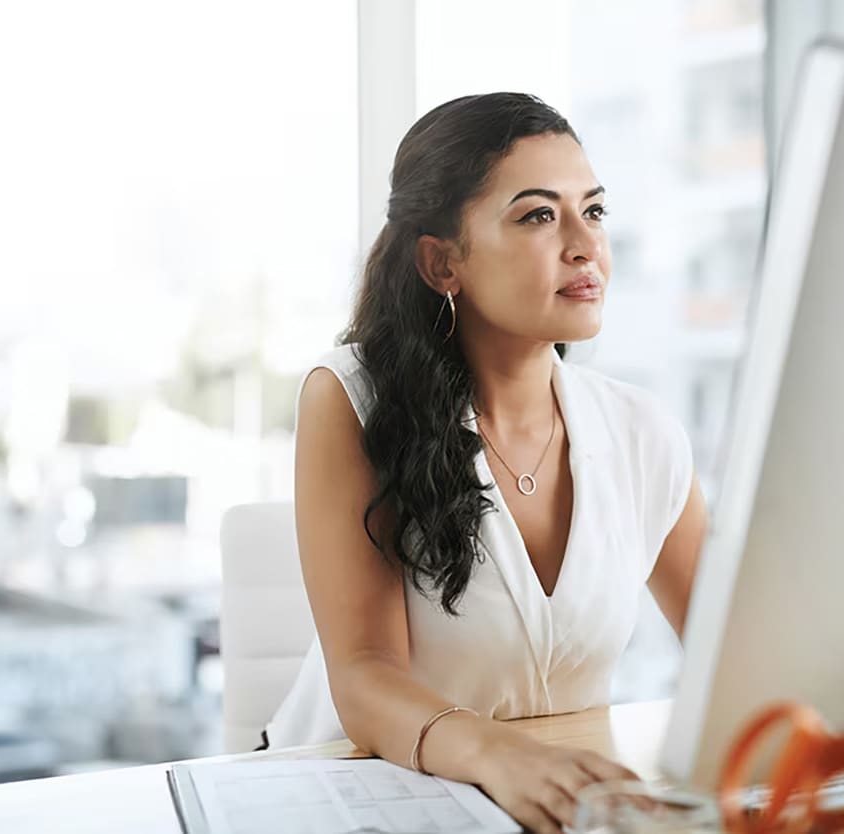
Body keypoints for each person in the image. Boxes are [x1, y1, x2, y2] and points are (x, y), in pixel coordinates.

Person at [266, 92, 708, 834]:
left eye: (593, 211)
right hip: (345, 800)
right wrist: (496, 754)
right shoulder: (350, 397)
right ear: (443, 261)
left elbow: (733, 645)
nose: (584, 246)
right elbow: (365, 674)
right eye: (538, 215)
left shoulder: (642, 431)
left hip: (548, 806)